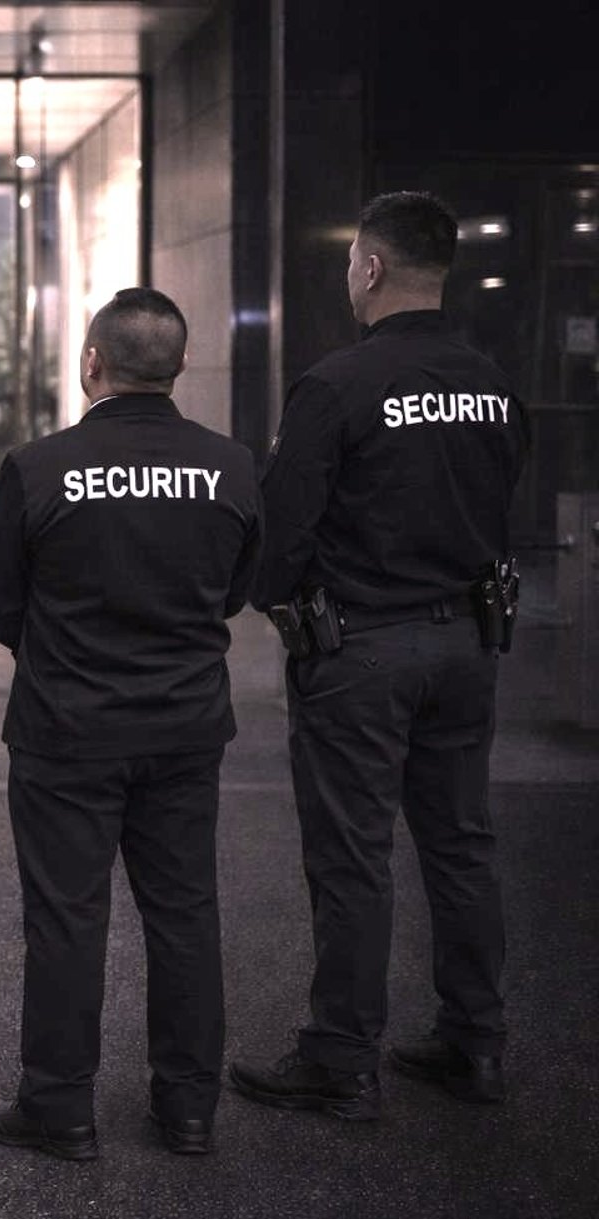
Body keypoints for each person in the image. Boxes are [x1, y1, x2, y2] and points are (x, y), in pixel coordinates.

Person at [230, 192, 530, 1119]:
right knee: (462, 846)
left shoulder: (338, 386)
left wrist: (281, 605)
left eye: (351, 262)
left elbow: (278, 540)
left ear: (369, 268)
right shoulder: (494, 385)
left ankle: (340, 1058)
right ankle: (473, 1043)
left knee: (355, 856)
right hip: (468, 645)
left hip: (361, 649)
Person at [0, 287, 262, 1160]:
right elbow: (237, 590)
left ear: (92, 362)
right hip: (183, 728)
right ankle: (189, 1110)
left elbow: (0, 605)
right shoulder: (232, 467)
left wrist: (66, 657)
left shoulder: (38, 466)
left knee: (67, 915)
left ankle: (59, 1109)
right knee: (185, 914)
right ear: (178, 364)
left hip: (67, 729)